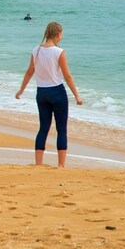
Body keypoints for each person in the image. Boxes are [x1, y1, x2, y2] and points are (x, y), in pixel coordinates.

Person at [15, 21, 84, 168]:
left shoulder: (36, 50)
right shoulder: (59, 52)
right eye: (62, 33)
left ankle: (38, 163)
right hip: (57, 92)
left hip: (42, 93)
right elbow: (67, 76)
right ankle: (61, 165)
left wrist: (21, 90)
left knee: (43, 128)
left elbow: (29, 72)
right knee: (61, 129)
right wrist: (77, 96)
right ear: (58, 34)